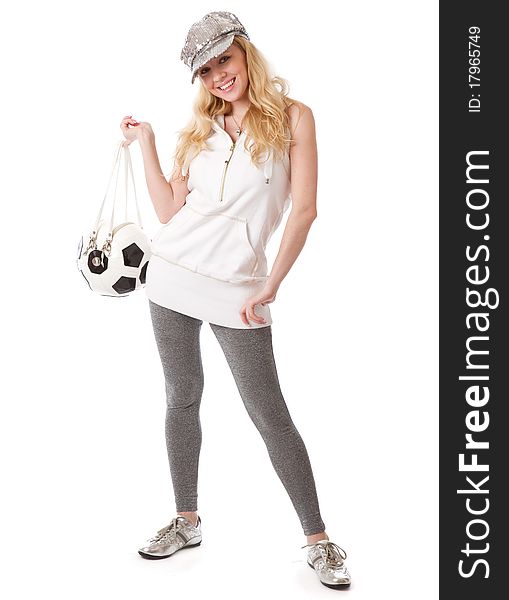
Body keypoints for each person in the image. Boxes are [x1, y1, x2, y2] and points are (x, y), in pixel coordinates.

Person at [120, 10, 351, 589]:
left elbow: (304, 210)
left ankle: (318, 540)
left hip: (242, 290)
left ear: (245, 51)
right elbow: (171, 215)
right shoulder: (198, 130)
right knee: (181, 397)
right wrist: (146, 142)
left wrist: (271, 285)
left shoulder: (295, 118)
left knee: (270, 415)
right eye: (205, 69)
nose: (217, 75)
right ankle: (186, 518)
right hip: (170, 278)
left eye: (224, 59)